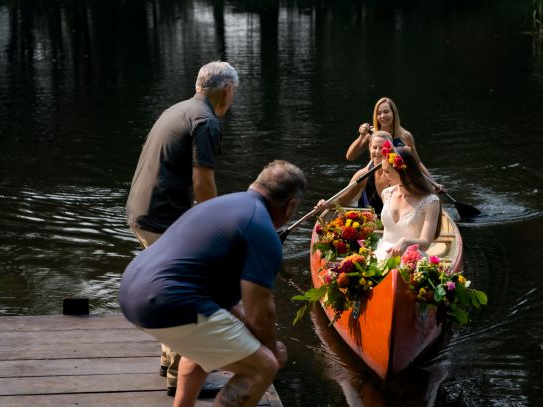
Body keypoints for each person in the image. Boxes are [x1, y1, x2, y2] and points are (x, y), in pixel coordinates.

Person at [119, 160, 307, 407]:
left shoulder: (222, 205)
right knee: (262, 366)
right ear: (291, 205)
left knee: (201, 349)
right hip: (167, 300)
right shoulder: (262, 229)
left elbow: (230, 306)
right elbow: (260, 312)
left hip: (131, 291)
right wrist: (271, 349)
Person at [125, 60, 238, 395]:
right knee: (192, 289)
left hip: (142, 212)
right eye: (234, 93)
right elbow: (203, 182)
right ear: (227, 90)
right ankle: (180, 374)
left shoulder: (178, 109)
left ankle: (167, 360)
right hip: (161, 218)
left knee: (169, 287)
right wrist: (214, 229)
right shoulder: (206, 121)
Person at [345, 97, 443, 192]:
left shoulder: (406, 136)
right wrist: (361, 136)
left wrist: (434, 183)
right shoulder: (372, 134)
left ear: (394, 113)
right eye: (379, 113)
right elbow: (350, 157)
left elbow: (417, 163)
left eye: (386, 112)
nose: (383, 116)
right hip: (377, 180)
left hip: (399, 181)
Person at [374, 142, 442, 262]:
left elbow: (425, 243)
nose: (384, 176)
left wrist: (406, 241)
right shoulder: (386, 194)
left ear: (403, 171)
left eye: (387, 172)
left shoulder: (431, 201)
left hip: (411, 259)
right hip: (382, 256)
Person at [335, 131, 393, 214]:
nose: (377, 151)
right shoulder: (363, 174)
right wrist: (325, 204)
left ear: (390, 149)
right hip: (375, 223)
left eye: (381, 148)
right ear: (369, 148)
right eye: (374, 147)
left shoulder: (400, 172)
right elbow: (342, 200)